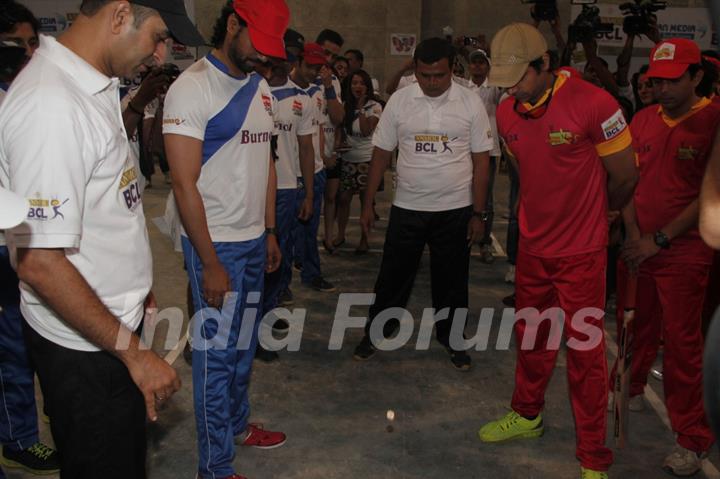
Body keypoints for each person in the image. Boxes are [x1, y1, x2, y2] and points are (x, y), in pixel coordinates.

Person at [0, 0, 203, 476]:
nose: (158, 55)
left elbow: (109, 202)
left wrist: (135, 285)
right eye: (156, 37)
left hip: (106, 330)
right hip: (88, 349)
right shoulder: (52, 105)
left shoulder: (91, 85)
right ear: (118, 16)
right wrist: (134, 353)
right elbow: (38, 260)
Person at [477, 23, 638, 479]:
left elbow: (626, 175)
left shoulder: (593, 103)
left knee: (585, 357)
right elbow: (523, 174)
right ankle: (527, 415)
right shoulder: (508, 112)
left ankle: (592, 456)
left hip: (582, 255)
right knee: (532, 340)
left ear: (545, 64)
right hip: (533, 250)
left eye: (519, 79)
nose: (512, 92)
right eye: (504, 83)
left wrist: (606, 215)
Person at [162, 0, 288, 476]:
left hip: (256, 240)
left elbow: (267, 164)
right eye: (261, 46)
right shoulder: (192, 87)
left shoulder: (260, 88)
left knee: (241, 348)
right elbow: (182, 183)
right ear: (233, 23)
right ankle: (214, 467)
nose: (267, 59)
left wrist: (270, 229)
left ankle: (236, 426)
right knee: (214, 362)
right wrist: (210, 261)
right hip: (216, 247)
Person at [612, 38, 720, 477]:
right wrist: (635, 235)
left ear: (696, 77)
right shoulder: (642, 120)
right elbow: (626, 181)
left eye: (673, 80)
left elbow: (710, 193)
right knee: (634, 324)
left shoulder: (714, 122)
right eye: (657, 80)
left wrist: (659, 239)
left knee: (681, 345)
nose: (663, 88)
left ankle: (692, 437)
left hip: (684, 250)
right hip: (639, 245)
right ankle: (631, 388)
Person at [353, 37, 493, 371]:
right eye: (425, 76)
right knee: (392, 277)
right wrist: (367, 203)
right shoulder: (399, 102)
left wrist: (478, 213)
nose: (431, 83)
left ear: (451, 70)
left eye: (439, 76)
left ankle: (453, 340)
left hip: (455, 210)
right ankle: (377, 331)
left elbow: (482, 162)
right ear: (415, 70)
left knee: (452, 282)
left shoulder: (471, 103)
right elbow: (381, 155)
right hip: (408, 208)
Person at [0, 1, 59, 475]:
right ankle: (17, 438)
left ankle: (23, 431)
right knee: (11, 351)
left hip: (22, 241)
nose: (26, 52)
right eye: (16, 44)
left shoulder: (26, 94)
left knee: (26, 343)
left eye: (30, 43)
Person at [255, 36, 316, 362]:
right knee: (258, 259)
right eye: (278, 57)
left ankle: (269, 311)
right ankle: (251, 323)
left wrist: (307, 191)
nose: (283, 63)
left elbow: (306, 148)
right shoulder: (253, 91)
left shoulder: (301, 99)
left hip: (287, 188)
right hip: (255, 189)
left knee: (281, 256)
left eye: (289, 58)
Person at [290, 42, 337, 292]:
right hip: (288, 174)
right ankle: (281, 286)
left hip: (314, 171)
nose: (312, 72)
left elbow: (320, 127)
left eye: (317, 67)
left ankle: (312, 273)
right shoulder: (281, 90)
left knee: (310, 229)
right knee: (285, 232)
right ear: (297, 62)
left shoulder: (318, 92)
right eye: (309, 66)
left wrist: (322, 158)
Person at [334, 69, 383, 254]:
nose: (358, 86)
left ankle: (364, 239)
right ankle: (340, 234)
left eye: (361, 83)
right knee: (344, 199)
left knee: (366, 201)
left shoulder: (375, 106)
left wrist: (361, 107)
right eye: (354, 83)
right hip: (348, 158)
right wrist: (339, 143)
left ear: (367, 87)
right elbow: (340, 127)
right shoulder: (345, 105)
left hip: (367, 160)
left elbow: (365, 130)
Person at [462, 48, 503, 264]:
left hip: (489, 150)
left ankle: (484, 243)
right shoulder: (462, 88)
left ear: (488, 66)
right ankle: (463, 239)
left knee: (485, 199)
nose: (477, 66)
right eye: (474, 62)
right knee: (463, 195)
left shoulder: (494, 89)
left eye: (481, 62)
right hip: (464, 150)